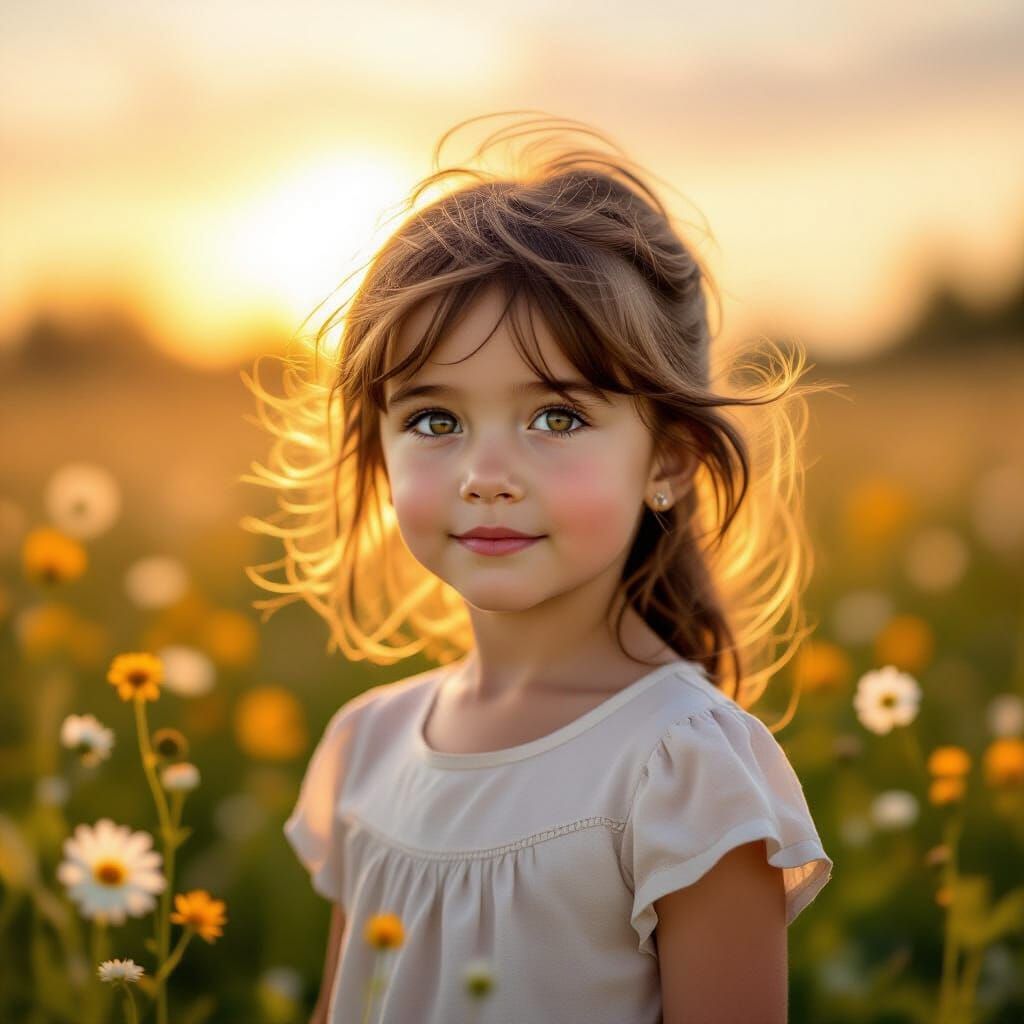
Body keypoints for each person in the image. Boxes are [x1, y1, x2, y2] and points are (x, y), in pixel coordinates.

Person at [245, 110, 834, 1023]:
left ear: (669, 460)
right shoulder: (368, 746)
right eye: (433, 419)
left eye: (556, 417)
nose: (486, 477)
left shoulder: (682, 771)